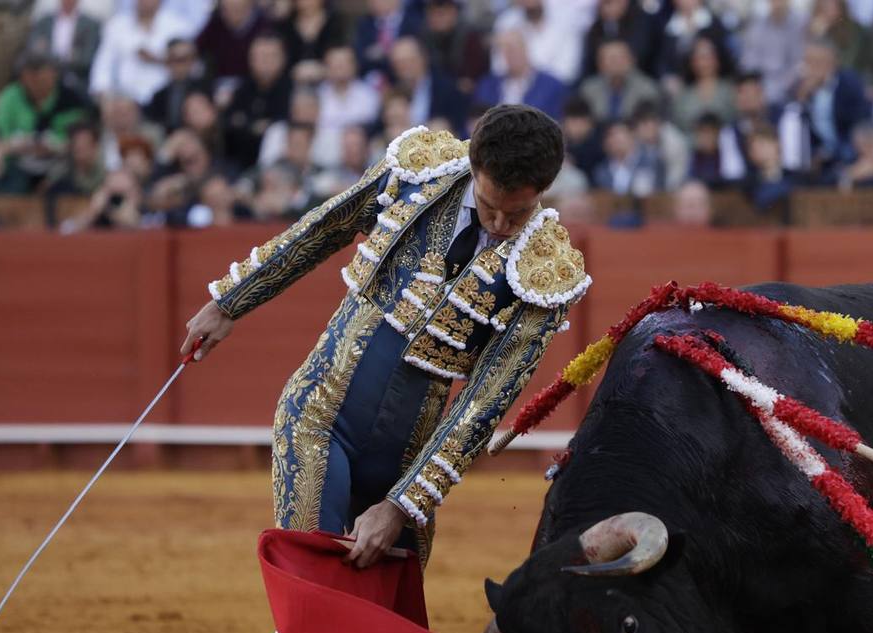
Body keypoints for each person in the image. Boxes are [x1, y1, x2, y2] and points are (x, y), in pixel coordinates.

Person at [179, 105, 589, 567]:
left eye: (516, 214)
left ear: (545, 190)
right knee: (313, 587)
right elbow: (326, 226)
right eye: (490, 207)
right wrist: (231, 300)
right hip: (319, 416)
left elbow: (483, 404)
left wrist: (402, 505)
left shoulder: (547, 270)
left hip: (407, 467)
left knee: (392, 627)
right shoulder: (422, 168)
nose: (498, 225)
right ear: (474, 164)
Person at [0, 50, 92, 180]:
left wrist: (55, 145)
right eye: (30, 75)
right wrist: (18, 144)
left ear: (55, 74)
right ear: (22, 77)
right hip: (16, 164)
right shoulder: (10, 97)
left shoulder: (71, 100)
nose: (36, 80)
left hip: (61, 166)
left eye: (41, 74)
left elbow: (80, 140)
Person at [779, 38, 870, 179]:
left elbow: (859, 123)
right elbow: (791, 126)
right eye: (808, 62)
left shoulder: (849, 84)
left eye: (818, 62)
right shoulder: (797, 87)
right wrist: (802, 99)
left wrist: (832, 153)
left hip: (846, 149)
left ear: (833, 63)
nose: (811, 68)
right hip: (813, 155)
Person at [89, 0, 195, 104]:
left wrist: (157, 59)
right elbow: (104, 62)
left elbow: (187, 64)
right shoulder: (117, 25)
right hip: (126, 98)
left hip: (164, 98)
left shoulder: (178, 25)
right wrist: (101, 91)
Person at [222, 32, 293, 173]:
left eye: (271, 56)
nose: (265, 62)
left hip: (281, 165)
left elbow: (283, 123)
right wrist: (255, 127)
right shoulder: (243, 88)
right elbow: (230, 123)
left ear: (283, 59)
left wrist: (247, 124)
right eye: (260, 57)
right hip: (240, 162)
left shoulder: (292, 90)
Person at [472, 29, 568, 120]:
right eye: (504, 51)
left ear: (526, 49)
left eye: (513, 49)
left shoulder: (551, 86)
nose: (510, 55)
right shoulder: (487, 86)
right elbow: (475, 122)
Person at [316, 46, 382, 168]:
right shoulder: (317, 96)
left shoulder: (369, 95)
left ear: (354, 66)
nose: (339, 68)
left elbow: (373, 130)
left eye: (344, 63)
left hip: (363, 161)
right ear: (326, 67)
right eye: (335, 64)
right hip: (325, 160)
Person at [739, 0, 809, 106]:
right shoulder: (757, 27)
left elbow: (799, 63)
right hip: (760, 88)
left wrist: (780, 87)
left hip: (789, 90)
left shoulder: (800, 24)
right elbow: (749, 62)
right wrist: (759, 88)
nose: (777, 3)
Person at [578, 38, 663, 124]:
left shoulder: (647, 89)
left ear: (632, 60)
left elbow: (648, 126)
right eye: (611, 59)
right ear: (600, 64)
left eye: (621, 57)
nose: (616, 63)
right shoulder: (589, 89)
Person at [670, 34, 737, 136]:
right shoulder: (683, 96)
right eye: (700, 57)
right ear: (692, 62)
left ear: (717, 59)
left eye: (708, 56)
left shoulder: (731, 89)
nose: (705, 62)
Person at [27, 0, 103, 89]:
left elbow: (87, 58)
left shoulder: (91, 25)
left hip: (75, 79)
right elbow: (34, 50)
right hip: (45, 74)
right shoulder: (44, 22)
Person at [143, 38, 210, 132]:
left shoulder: (207, 90)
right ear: (167, 62)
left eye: (185, 59)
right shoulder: (159, 96)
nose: (180, 64)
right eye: (175, 59)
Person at [195, 0, 270, 83]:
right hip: (219, 82)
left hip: (253, 83)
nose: (231, 13)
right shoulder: (216, 24)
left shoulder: (265, 25)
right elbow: (197, 47)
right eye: (226, 9)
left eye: (237, 9)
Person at [353, 0, 422, 79]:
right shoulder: (364, 24)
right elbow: (359, 56)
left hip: (404, 80)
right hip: (371, 80)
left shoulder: (415, 21)